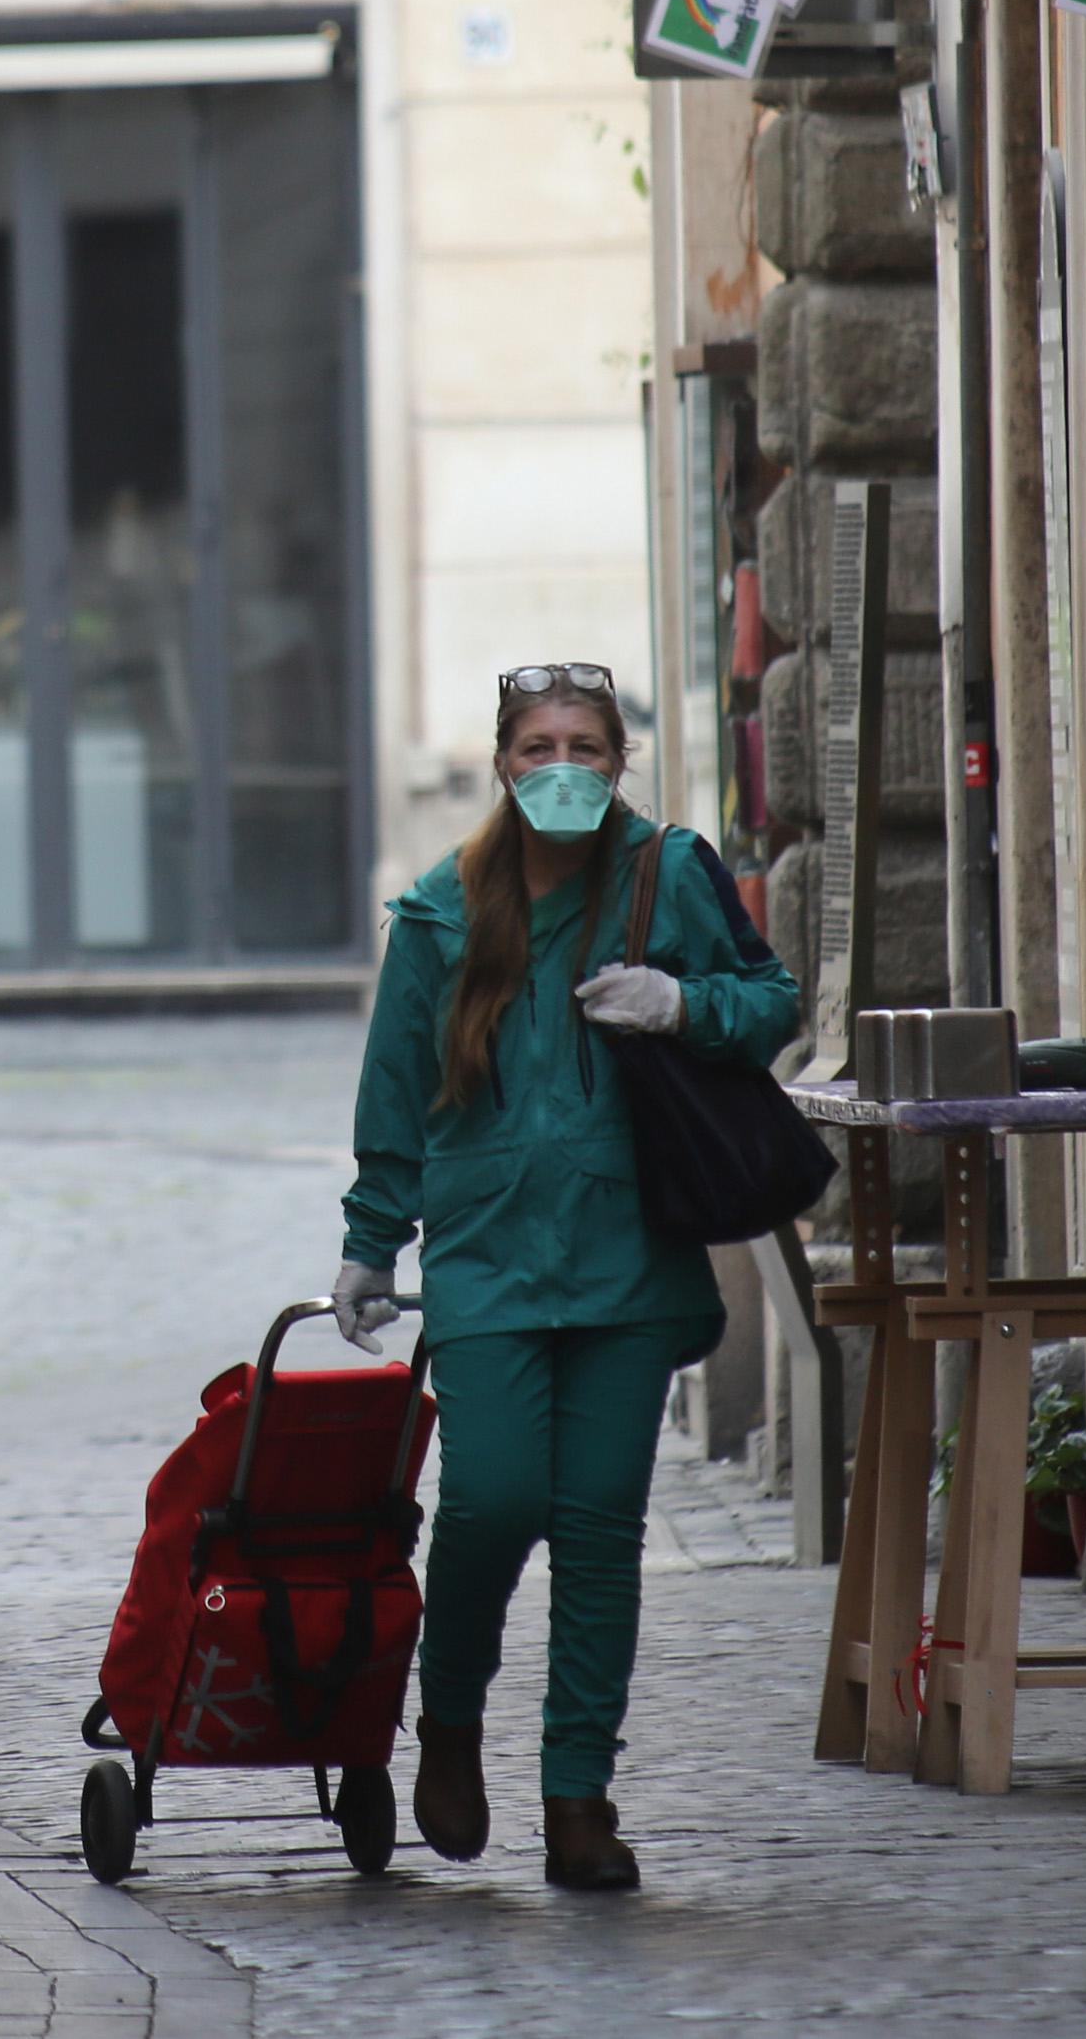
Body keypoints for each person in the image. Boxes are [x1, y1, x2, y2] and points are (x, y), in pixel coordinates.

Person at [330, 662, 800, 1891]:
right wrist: (372, 1240)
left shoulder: (669, 871)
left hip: (628, 1256)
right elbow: (396, 1095)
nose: (562, 766)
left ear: (618, 761)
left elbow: (771, 1003)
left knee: (598, 1530)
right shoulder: (441, 912)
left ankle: (578, 1795)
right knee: (489, 1498)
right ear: (500, 763)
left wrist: (682, 1001)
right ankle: (447, 1718)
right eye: (538, 745)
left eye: (586, 745)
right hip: (486, 1252)